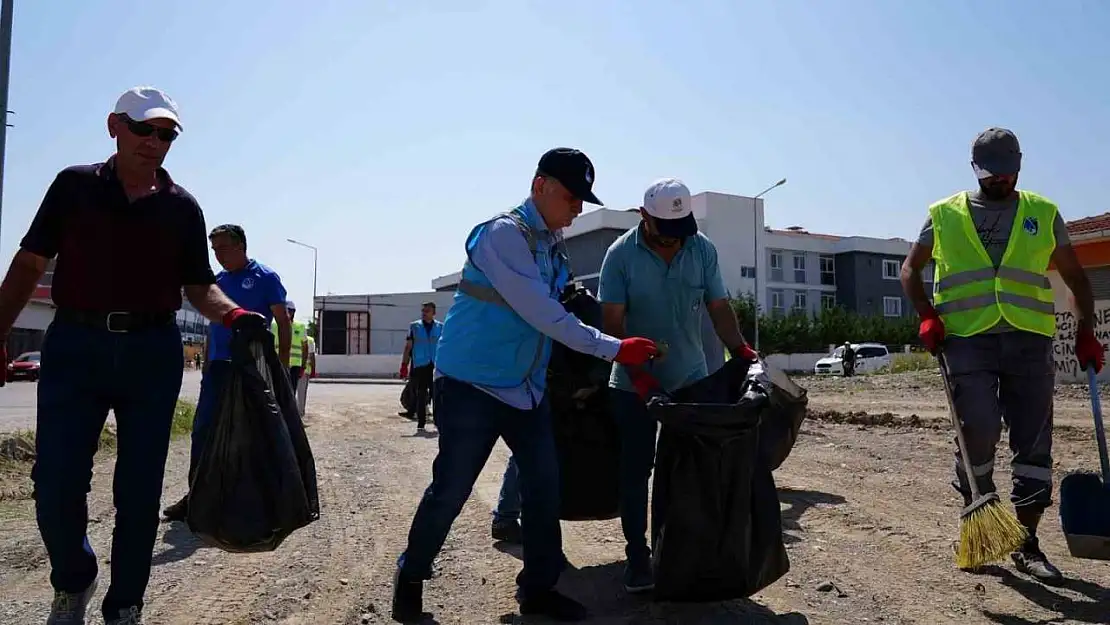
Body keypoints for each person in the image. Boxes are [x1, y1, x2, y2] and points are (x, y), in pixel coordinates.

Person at [0, 86, 265, 625]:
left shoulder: (182, 208)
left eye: (165, 134)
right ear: (113, 126)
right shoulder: (73, 187)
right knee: (54, 483)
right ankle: (73, 579)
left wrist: (233, 315)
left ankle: (125, 604)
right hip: (76, 347)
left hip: (151, 352)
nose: (154, 141)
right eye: (143, 129)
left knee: (140, 490)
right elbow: (29, 264)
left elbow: (198, 286)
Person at [390, 148, 659, 623]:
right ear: (540, 186)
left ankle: (537, 590)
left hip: (525, 389)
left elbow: (566, 304)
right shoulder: (503, 235)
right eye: (571, 196)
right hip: (471, 384)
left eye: (583, 200)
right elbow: (541, 311)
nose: (577, 208)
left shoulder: (554, 245)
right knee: (452, 487)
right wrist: (615, 348)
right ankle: (411, 575)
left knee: (543, 488)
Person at [901, 127, 1103, 585]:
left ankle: (1027, 542)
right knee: (978, 429)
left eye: (1008, 173)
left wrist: (1086, 331)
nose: (1001, 181)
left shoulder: (1043, 212)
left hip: (1029, 340)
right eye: (992, 175)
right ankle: (984, 519)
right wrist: (926, 314)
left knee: (1033, 440)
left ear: (1019, 166)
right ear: (975, 170)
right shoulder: (943, 215)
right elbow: (910, 270)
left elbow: (1076, 278)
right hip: (966, 340)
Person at [598, 177, 758, 594]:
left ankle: (685, 551)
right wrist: (641, 376)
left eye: (679, 235)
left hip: (690, 377)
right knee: (636, 471)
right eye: (664, 235)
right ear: (643, 217)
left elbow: (719, 307)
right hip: (632, 384)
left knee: (693, 470)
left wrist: (740, 350)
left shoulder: (701, 248)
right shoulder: (619, 256)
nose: (673, 244)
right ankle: (638, 558)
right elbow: (612, 326)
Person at [162, 223, 290, 523]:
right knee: (203, 431)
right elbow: (212, 327)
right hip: (218, 368)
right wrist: (206, 364)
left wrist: (281, 368)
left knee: (252, 433)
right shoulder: (215, 282)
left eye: (223, 248)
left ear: (240, 246)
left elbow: (282, 322)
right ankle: (197, 496)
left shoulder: (265, 277)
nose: (217, 255)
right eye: (214, 249)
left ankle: (257, 498)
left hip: (250, 368)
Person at [399, 301, 443, 432]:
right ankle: (421, 423)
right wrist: (404, 365)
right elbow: (408, 347)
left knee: (436, 394)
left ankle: (438, 421)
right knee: (421, 394)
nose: (424, 313)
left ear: (433, 313)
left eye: (427, 311)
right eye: (423, 311)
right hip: (420, 365)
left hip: (435, 365)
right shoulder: (414, 327)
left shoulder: (441, 327)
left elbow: (445, 347)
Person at [273, 300, 309, 388]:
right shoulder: (274, 326)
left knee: (292, 389)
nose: (289, 312)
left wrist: (303, 366)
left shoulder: (300, 327)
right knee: (279, 389)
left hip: (295, 365)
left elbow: (305, 347)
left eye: (291, 310)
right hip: (279, 362)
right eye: (287, 310)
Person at [297, 332, 317, 416]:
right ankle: (300, 413)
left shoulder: (293, 336)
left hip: (292, 367)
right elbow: (312, 356)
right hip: (305, 370)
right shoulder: (310, 340)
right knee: (302, 394)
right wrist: (313, 370)